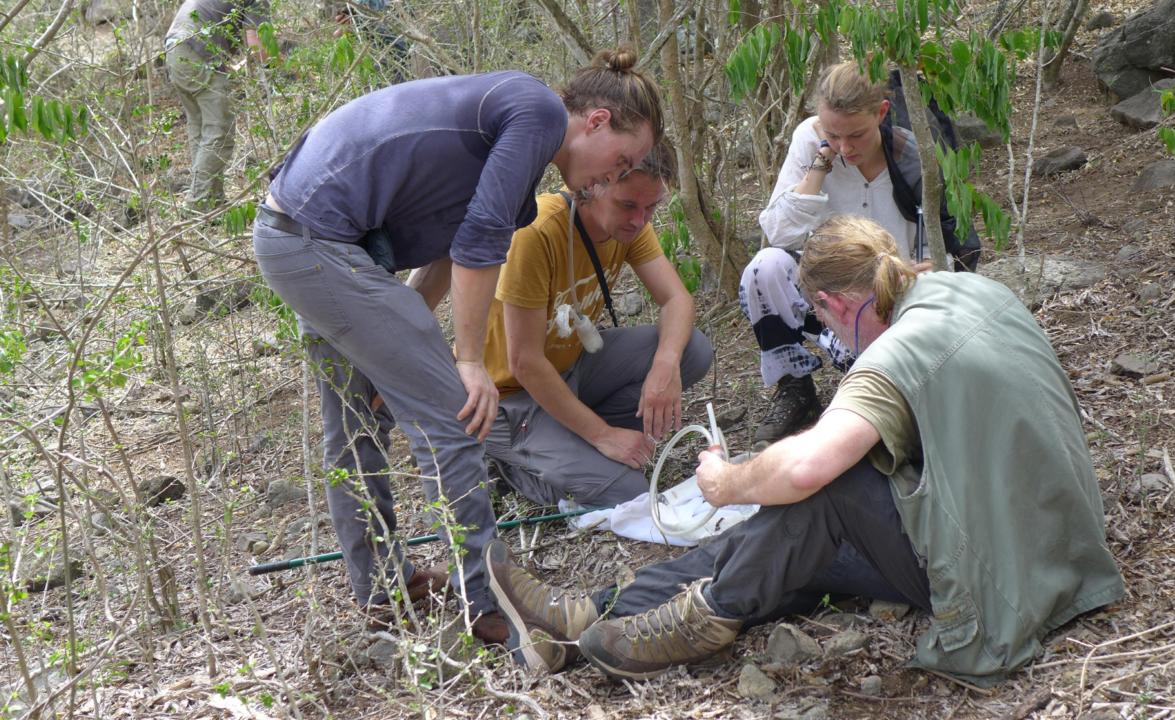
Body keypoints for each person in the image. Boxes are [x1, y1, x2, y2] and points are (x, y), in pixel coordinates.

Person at [485, 215, 1124, 686]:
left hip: (999, 589)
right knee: (789, 541)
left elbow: (810, 465)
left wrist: (726, 482)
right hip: (1061, 545)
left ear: (837, 302)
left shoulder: (897, 355)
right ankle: (587, 618)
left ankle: (703, 614)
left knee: (822, 490)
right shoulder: (975, 292)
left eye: (817, 314)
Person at [251, 49, 663, 641]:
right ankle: (488, 605)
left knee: (356, 424)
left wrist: (398, 361)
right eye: (620, 160)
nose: (611, 178)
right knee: (458, 417)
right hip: (320, 244)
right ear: (595, 121)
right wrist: (465, 362)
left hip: (298, 239)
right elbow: (477, 244)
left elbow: (449, 253)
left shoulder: (519, 165)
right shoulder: (539, 111)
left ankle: (382, 589)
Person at [743, 61, 981, 450]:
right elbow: (779, 232)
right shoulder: (812, 140)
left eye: (856, 134)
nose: (845, 147)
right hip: (828, 294)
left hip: (891, 292)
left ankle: (874, 387)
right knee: (764, 268)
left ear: (881, 113)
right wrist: (821, 161)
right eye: (833, 134)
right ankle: (795, 388)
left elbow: (947, 248)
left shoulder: (911, 152)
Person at [479, 141, 711, 508]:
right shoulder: (536, 232)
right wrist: (602, 435)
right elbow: (524, 362)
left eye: (651, 207)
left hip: (571, 370)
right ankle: (511, 462)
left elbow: (677, 300)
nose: (640, 220)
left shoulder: (631, 226)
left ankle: (571, 436)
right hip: (511, 399)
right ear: (589, 187)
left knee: (692, 350)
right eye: (628, 205)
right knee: (629, 492)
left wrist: (665, 367)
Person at [164, 0, 269, 210]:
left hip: (174, 49)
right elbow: (258, 49)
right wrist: (288, 63)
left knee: (201, 128)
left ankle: (211, 202)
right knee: (220, 132)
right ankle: (196, 205)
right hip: (198, 51)